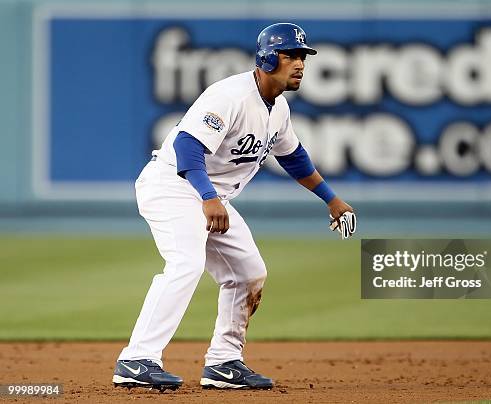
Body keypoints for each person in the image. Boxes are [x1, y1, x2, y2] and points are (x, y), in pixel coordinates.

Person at [112, 22, 355, 392]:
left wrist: (332, 199)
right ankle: (137, 359)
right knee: (186, 263)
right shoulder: (230, 95)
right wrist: (209, 198)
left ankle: (224, 363)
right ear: (268, 57)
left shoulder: (279, 109)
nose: (300, 64)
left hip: (210, 195)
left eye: (303, 56)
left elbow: (294, 157)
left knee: (248, 273)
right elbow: (188, 147)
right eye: (291, 55)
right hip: (173, 185)